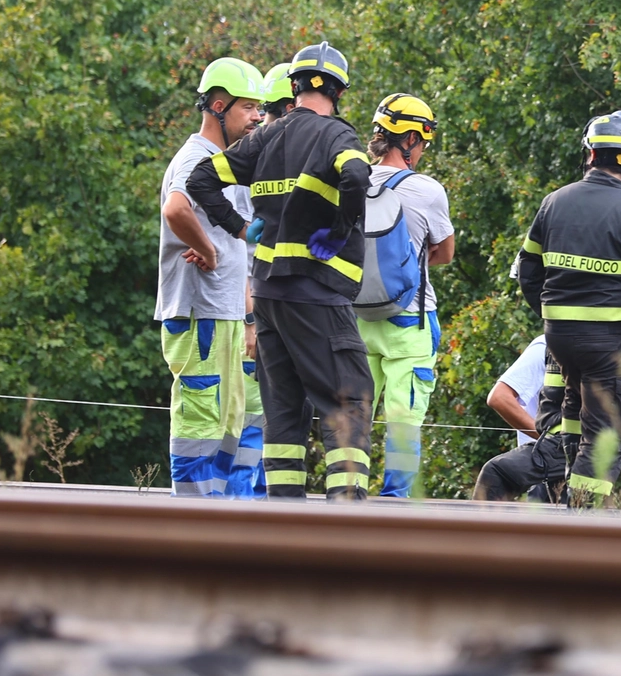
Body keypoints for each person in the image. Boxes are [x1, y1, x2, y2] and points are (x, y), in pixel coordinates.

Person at [184, 41, 375, 501]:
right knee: (348, 403)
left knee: (284, 412)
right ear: (339, 91)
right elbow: (356, 177)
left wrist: (240, 228)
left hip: (269, 297)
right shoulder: (337, 136)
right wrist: (339, 228)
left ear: (293, 86)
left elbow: (201, 179)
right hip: (319, 293)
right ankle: (346, 525)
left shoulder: (266, 137)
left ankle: (285, 525)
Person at [516, 110, 621, 506]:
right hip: (608, 345)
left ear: (589, 153)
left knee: (573, 408)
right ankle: (581, 518)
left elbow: (528, 273)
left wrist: (553, 314)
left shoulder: (554, 203)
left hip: (561, 339)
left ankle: (564, 485)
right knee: (606, 435)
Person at [155, 57, 266, 498]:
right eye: (248, 108)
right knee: (200, 422)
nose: (257, 116)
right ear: (218, 107)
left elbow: (239, 248)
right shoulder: (197, 158)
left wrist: (247, 317)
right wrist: (206, 249)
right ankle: (192, 525)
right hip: (199, 315)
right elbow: (176, 208)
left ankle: (216, 523)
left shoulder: (224, 161)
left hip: (222, 316)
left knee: (227, 421)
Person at [355, 94, 455, 498]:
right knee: (402, 422)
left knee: (355, 417)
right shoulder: (427, 191)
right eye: (424, 141)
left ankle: (348, 496)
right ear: (411, 138)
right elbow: (444, 253)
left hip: (358, 318)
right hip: (409, 320)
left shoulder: (352, 179)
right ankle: (393, 505)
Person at [472, 335, 574, 502]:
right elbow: (500, 397)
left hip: (573, 465)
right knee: (497, 471)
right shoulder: (545, 345)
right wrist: (548, 441)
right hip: (544, 469)